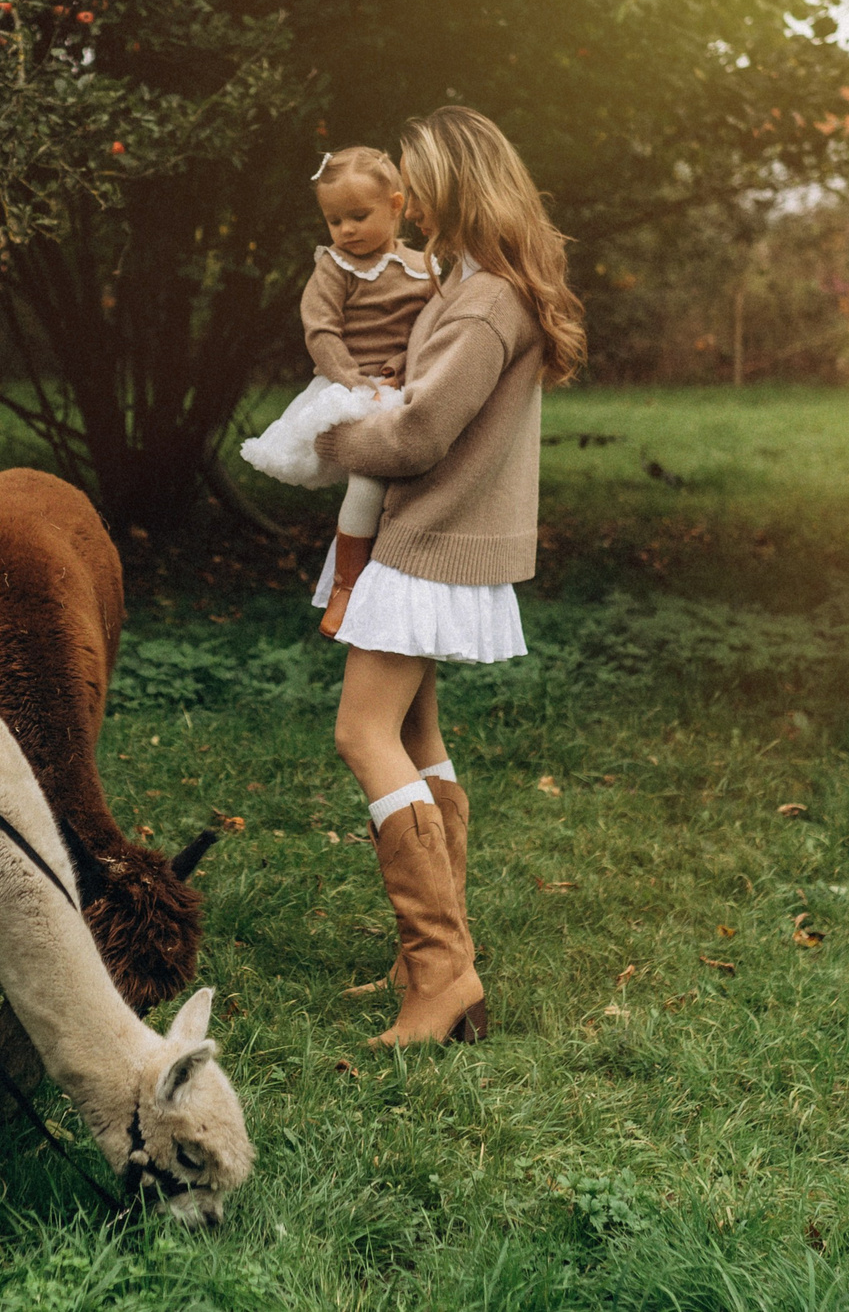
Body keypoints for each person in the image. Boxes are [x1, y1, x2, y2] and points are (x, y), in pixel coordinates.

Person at [310, 106, 585, 1048]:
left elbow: (423, 431)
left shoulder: (482, 302)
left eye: (421, 178)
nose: (409, 196)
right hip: (434, 541)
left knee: (363, 731)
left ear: (458, 183)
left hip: (428, 542)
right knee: (417, 732)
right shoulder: (474, 284)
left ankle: (442, 971)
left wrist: (331, 435)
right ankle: (431, 958)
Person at [237, 146, 437, 637]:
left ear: (395, 205)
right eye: (334, 220)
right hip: (349, 383)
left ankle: (401, 576)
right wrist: (353, 381)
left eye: (358, 216)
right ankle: (347, 584)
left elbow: (430, 330)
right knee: (368, 477)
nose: (345, 230)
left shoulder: (424, 266)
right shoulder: (335, 266)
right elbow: (321, 331)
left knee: (415, 484)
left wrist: (399, 367)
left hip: (406, 382)